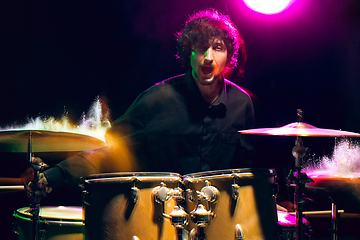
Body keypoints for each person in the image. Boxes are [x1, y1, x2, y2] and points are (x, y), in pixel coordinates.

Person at [26, 8, 255, 193]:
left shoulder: (241, 104)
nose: (208, 57)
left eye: (217, 48)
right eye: (200, 48)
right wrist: (53, 177)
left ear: (229, 57)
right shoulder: (158, 100)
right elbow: (110, 148)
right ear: (189, 54)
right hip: (164, 218)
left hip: (220, 223)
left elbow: (251, 170)